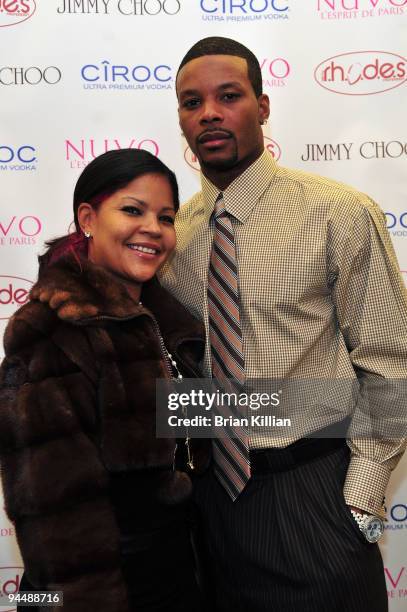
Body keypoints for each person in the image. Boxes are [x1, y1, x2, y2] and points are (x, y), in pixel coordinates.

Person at [159, 36, 407, 611]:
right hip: (210, 507)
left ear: (263, 106)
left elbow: (390, 361)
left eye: (229, 96)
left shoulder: (338, 212)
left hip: (314, 492)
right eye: (191, 103)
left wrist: (360, 498)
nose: (210, 114)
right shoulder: (175, 236)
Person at [0, 148, 208, 612]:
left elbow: (202, 420)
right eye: (132, 210)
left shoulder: (162, 320)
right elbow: (54, 508)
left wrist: (349, 405)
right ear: (88, 218)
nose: (153, 228)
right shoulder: (53, 329)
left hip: (172, 571)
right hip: (99, 587)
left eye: (166, 217)